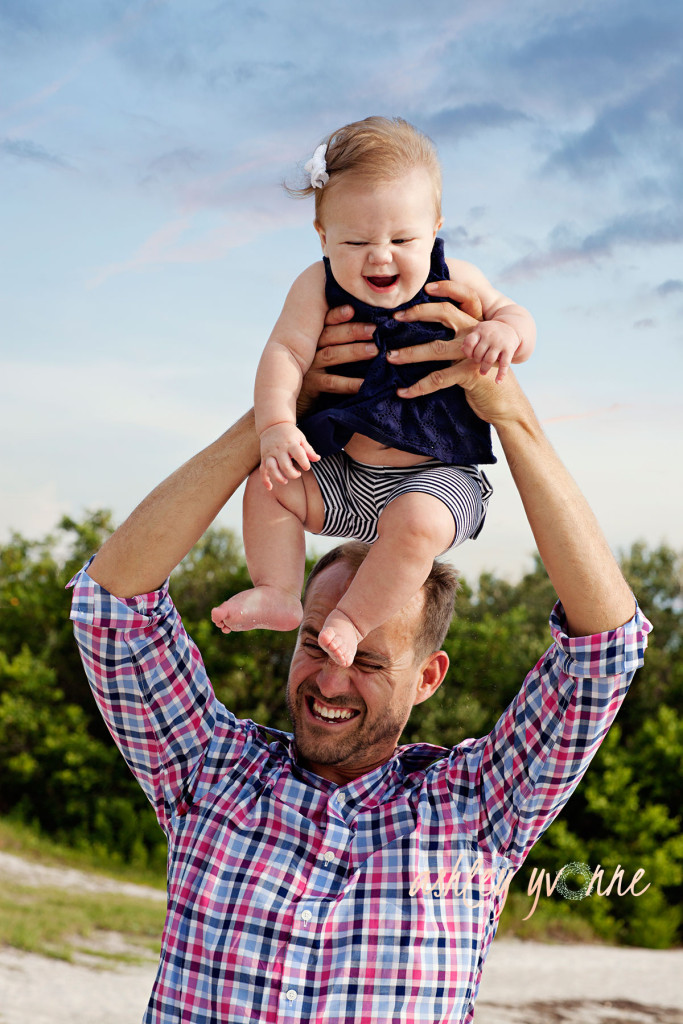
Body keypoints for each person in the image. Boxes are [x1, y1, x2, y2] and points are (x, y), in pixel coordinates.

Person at [69, 293, 650, 1024]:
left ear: (427, 677)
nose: (330, 677)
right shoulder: (208, 773)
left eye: (369, 660)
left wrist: (509, 416)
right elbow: (111, 609)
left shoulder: (478, 810)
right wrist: (275, 416)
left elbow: (603, 655)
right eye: (316, 641)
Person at [210, 116, 537, 668]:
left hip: (436, 477)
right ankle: (279, 590)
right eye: (356, 240)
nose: (380, 256)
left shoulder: (455, 276)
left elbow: (516, 314)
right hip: (344, 473)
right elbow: (284, 354)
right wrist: (275, 428)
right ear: (322, 236)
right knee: (269, 482)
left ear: (435, 227)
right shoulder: (315, 285)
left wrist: (504, 332)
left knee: (416, 525)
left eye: (403, 239)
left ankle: (352, 619)